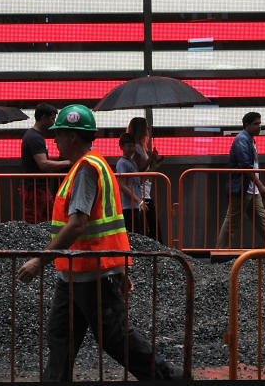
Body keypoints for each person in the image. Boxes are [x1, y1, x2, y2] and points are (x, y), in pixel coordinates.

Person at [17, 104, 175, 381]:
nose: (54, 140)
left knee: (117, 339)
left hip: (93, 273)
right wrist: (122, 270)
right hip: (76, 273)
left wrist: (40, 261)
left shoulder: (86, 170)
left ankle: (171, 379)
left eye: (60, 134)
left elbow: (78, 223)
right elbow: (112, 224)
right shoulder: (92, 165)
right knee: (61, 338)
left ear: (73, 137)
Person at [217, 112, 265, 249]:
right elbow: (246, 166)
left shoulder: (249, 140)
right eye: (256, 124)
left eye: (259, 123)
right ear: (247, 125)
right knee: (232, 223)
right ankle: (220, 252)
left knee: (262, 222)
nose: (259, 126)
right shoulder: (242, 139)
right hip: (243, 188)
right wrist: (260, 185)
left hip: (250, 189)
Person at [20, 104, 71, 223]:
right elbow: (43, 164)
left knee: (44, 219)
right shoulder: (35, 138)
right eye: (52, 119)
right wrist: (69, 162)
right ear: (43, 117)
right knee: (36, 221)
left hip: (37, 188)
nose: (53, 123)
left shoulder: (34, 136)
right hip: (35, 189)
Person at [126, 117, 163, 242]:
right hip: (141, 193)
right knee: (153, 227)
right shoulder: (135, 148)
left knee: (151, 226)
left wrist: (153, 162)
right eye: (146, 127)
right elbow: (138, 169)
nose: (148, 130)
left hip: (145, 190)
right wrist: (150, 159)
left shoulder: (141, 147)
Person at [116, 132, 148, 234]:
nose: (132, 149)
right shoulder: (122, 163)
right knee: (132, 233)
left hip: (134, 205)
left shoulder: (132, 162)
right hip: (127, 206)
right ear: (121, 147)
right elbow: (121, 185)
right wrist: (138, 200)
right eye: (129, 146)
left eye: (133, 146)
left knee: (138, 232)